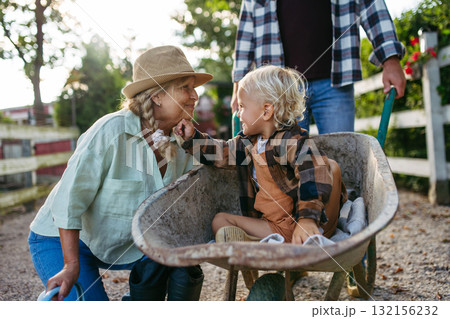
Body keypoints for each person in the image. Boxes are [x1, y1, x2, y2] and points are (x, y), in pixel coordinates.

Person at [28, 45, 213, 301]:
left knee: (183, 264)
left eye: (194, 88)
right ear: (157, 96)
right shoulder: (111, 131)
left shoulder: (184, 142)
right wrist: (70, 266)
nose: (195, 96)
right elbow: (69, 200)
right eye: (185, 87)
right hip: (64, 241)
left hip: (126, 245)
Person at [176, 65, 347, 244]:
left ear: (266, 111)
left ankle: (282, 239)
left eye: (242, 107)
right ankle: (258, 247)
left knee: (330, 166)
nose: (238, 113)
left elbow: (313, 169)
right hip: (273, 226)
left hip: (302, 226)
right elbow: (221, 154)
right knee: (220, 220)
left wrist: (307, 218)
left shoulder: (289, 141)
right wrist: (192, 138)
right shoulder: (248, 142)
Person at [231, 0, 406, 134]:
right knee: (282, 164)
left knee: (341, 159)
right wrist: (238, 88)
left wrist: (390, 59)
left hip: (335, 81)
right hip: (278, 92)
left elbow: (372, 7)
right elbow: (245, 36)